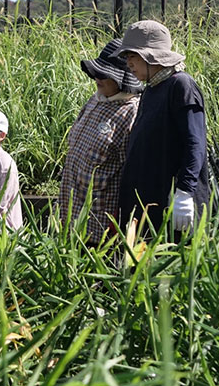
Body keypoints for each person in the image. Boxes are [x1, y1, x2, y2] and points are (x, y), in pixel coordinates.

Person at [115, 20, 209, 238]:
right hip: (147, 206)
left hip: (172, 204)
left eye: (132, 56)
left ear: (151, 55)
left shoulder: (181, 85)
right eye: (127, 57)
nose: (129, 64)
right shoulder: (150, 90)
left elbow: (195, 143)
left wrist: (185, 191)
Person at [59, 39, 143, 245]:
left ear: (123, 78)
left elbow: (133, 173)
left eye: (105, 74)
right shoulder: (95, 100)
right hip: (71, 212)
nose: (97, 78)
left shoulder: (132, 112)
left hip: (101, 223)